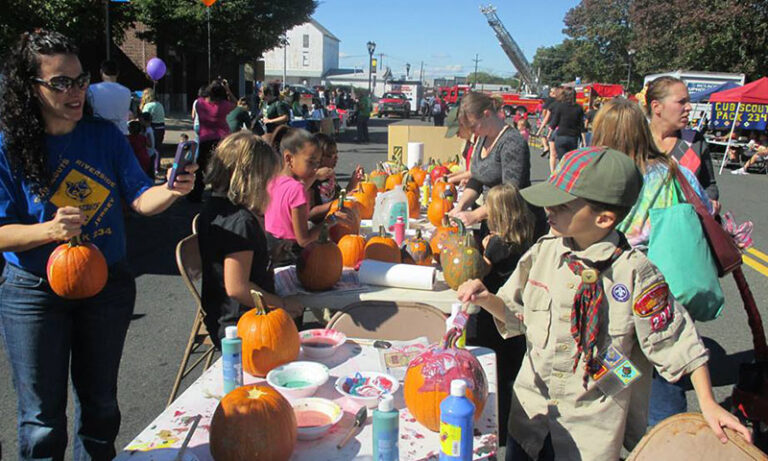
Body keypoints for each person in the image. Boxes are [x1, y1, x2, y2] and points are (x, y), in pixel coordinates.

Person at [457, 147, 751, 460]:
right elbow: (517, 314)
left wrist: (707, 402)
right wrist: (487, 299)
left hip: (590, 433)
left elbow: (678, 342)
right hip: (531, 418)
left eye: (563, 204)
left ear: (604, 218)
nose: (547, 209)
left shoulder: (635, 273)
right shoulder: (544, 254)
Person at [0, 29, 196, 460]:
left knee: (101, 407)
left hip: (105, 285)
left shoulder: (103, 136)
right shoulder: (9, 145)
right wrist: (49, 231)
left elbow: (141, 199)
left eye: (79, 79)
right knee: (41, 419)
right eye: (60, 83)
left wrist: (174, 190)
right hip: (33, 292)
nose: (75, 91)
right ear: (29, 87)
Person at [591, 98, 716, 439]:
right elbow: (707, 214)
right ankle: (662, 440)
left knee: (611, 393)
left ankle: (620, 435)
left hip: (614, 301)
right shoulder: (676, 172)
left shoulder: (600, 180)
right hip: (665, 296)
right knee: (666, 380)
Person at [198, 132, 304, 347]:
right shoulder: (240, 222)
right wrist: (281, 304)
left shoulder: (215, 209)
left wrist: (268, 254)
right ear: (252, 179)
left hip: (223, 315)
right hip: (242, 324)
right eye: (267, 180)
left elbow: (233, 259)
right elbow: (237, 287)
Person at [473, 183, 535, 440]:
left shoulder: (497, 244)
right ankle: (509, 416)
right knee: (512, 368)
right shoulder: (524, 238)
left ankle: (496, 421)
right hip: (515, 315)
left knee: (494, 366)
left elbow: (481, 270)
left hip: (494, 313)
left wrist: (483, 249)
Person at [263, 128, 356, 267]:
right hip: (292, 257)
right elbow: (304, 240)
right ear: (289, 158)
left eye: (317, 163)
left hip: (271, 254)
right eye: (311, 162)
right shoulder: (297, 189)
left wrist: (316, 176)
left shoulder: (273, 181)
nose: (315, 168)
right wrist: (332, 220)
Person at [448, 91, 532, 227]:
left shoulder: (512, 143)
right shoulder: (483, 137)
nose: (470, 131)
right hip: (490, 217)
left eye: (473, 126)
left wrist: (476, 215)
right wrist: (460, 206)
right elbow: (477, 178)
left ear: (486, 115)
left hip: (512, 223)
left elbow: (510, 192)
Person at [646, 76, 720, 213]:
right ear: (657, 107)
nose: (689, 108)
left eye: (689, 102)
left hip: (684, 228)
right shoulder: (636, 140)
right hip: (639, 230)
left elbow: (709, 185)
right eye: (681, 102)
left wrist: (710, 201)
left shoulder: (694, 141)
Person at [190, 79, 235, 202]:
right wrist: (227, 89)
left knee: (201, 167)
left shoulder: (199, 104)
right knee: (221, 166)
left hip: (205, 138)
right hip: (221, 139)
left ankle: (196, 193)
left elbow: (200, 99)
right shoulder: (222, 106)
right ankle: (219, 192)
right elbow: (235, 103)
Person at [308, 133, 363, 223]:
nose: (336, 158)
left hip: (336, 221)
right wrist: (336, 203)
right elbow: (310, 213)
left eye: (336, 154)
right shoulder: (310, 180)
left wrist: (354, 181)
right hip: (320, 227)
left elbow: (340, 196)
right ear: (317, 158)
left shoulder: (330, 175)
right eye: (330, 155)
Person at [86, 59, 131, 135]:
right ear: (117, 73)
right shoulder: (127, 91)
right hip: (120, 134)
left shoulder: (91, 90)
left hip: (99, 133)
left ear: (101, 72)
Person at [548, 87, 585, 170]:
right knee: (570, 161)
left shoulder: (560, 107)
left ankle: (560, 178)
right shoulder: (579, 108)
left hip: (561, 136)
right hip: (573, 137)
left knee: (562, 161)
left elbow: (554, 122)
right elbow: (581, 125)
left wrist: (549, 134)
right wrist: (584, 140)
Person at [139, 87, 166, 155]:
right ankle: (157, 163)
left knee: (151, 148)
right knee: (158, 148)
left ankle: (152, 163)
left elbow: (144, 117)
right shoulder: (159, 104)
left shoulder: (148, 106)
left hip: (153, 128)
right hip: (161, 128)